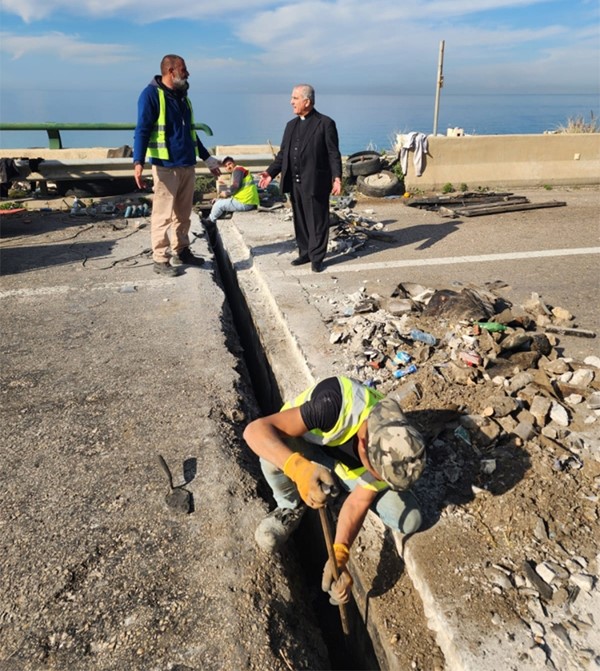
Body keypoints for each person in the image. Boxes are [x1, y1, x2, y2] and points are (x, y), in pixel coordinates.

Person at [243, 375, 426, 605]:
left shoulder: (390, 445)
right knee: (272, 459)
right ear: (362, 444)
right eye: (375, 473)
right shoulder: (333, 403)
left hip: (344, 468)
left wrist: (340, 553)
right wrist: (299, 470)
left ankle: (335, 491)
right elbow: (254, 431)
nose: (376, 478)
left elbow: (359, 502)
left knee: (410, 519)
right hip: (307, 449)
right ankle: (290, 505)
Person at [133, 54, 221, 277]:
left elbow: (191, 134)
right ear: (171, 72)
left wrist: (207, 159)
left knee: (183, 214)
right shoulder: (151, 95)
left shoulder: (183, 97)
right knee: (162, 215)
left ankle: (181, 250)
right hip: (165, 166)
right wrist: (138, 162)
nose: (187, 73)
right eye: (183, 69)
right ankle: (160, 259)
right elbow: (142, 130)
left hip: (186, 165)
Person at [258, 84, 342, 273]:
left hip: (316, 181)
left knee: (318, 221)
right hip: (295, 182)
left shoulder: (325, 123)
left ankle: (317, 257)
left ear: (307, 101)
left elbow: (333, 154)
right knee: (301, 220)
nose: (291, 102)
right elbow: (282, 155)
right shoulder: (291, 125)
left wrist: (336, 178)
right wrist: (270, 172)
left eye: (295, 98)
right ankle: (304, 252)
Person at [203, 156, 260, 224]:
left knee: (218, 205)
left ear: (234, 163)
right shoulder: (239, 171)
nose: (228, 167)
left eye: (229, 164)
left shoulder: (238, 170)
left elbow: (235, 186)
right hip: (247, 201)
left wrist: (226, 193)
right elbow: (236, 189)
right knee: (219, 201)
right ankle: (224, 215)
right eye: (226, 166)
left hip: (245, 202)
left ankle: (209, 222)